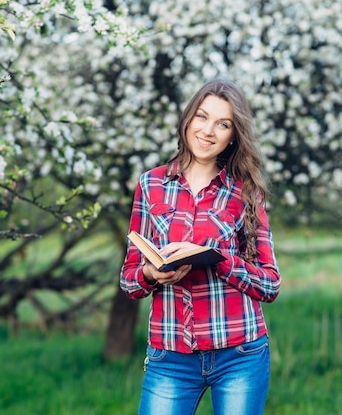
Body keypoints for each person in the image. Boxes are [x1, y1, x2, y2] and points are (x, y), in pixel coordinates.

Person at [120, 78, 281, 415]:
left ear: (233, 135)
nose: (208, 131)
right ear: (188, 119)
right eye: (202, 117)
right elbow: (129, 281)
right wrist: (151, 273)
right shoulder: (150, 185)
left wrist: (219, 260)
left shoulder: (245, 192)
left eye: (223, 124)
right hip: (171, 356)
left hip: (240, 353)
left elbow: (269, 283)